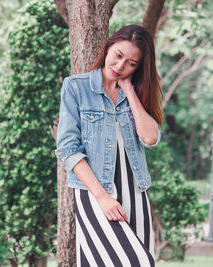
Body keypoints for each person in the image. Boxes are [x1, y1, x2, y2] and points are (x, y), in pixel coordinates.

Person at [55, 24, 163, 267]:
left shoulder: (137, 92)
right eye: (118, 55)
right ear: (108, 48)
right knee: (138, 262)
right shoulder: (76, 87)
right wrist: (102, 197)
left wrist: (129, 90)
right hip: (95, 193)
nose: (120, 66)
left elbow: (150, 138)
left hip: (135, 192)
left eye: (131, 63)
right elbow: (68, 150)